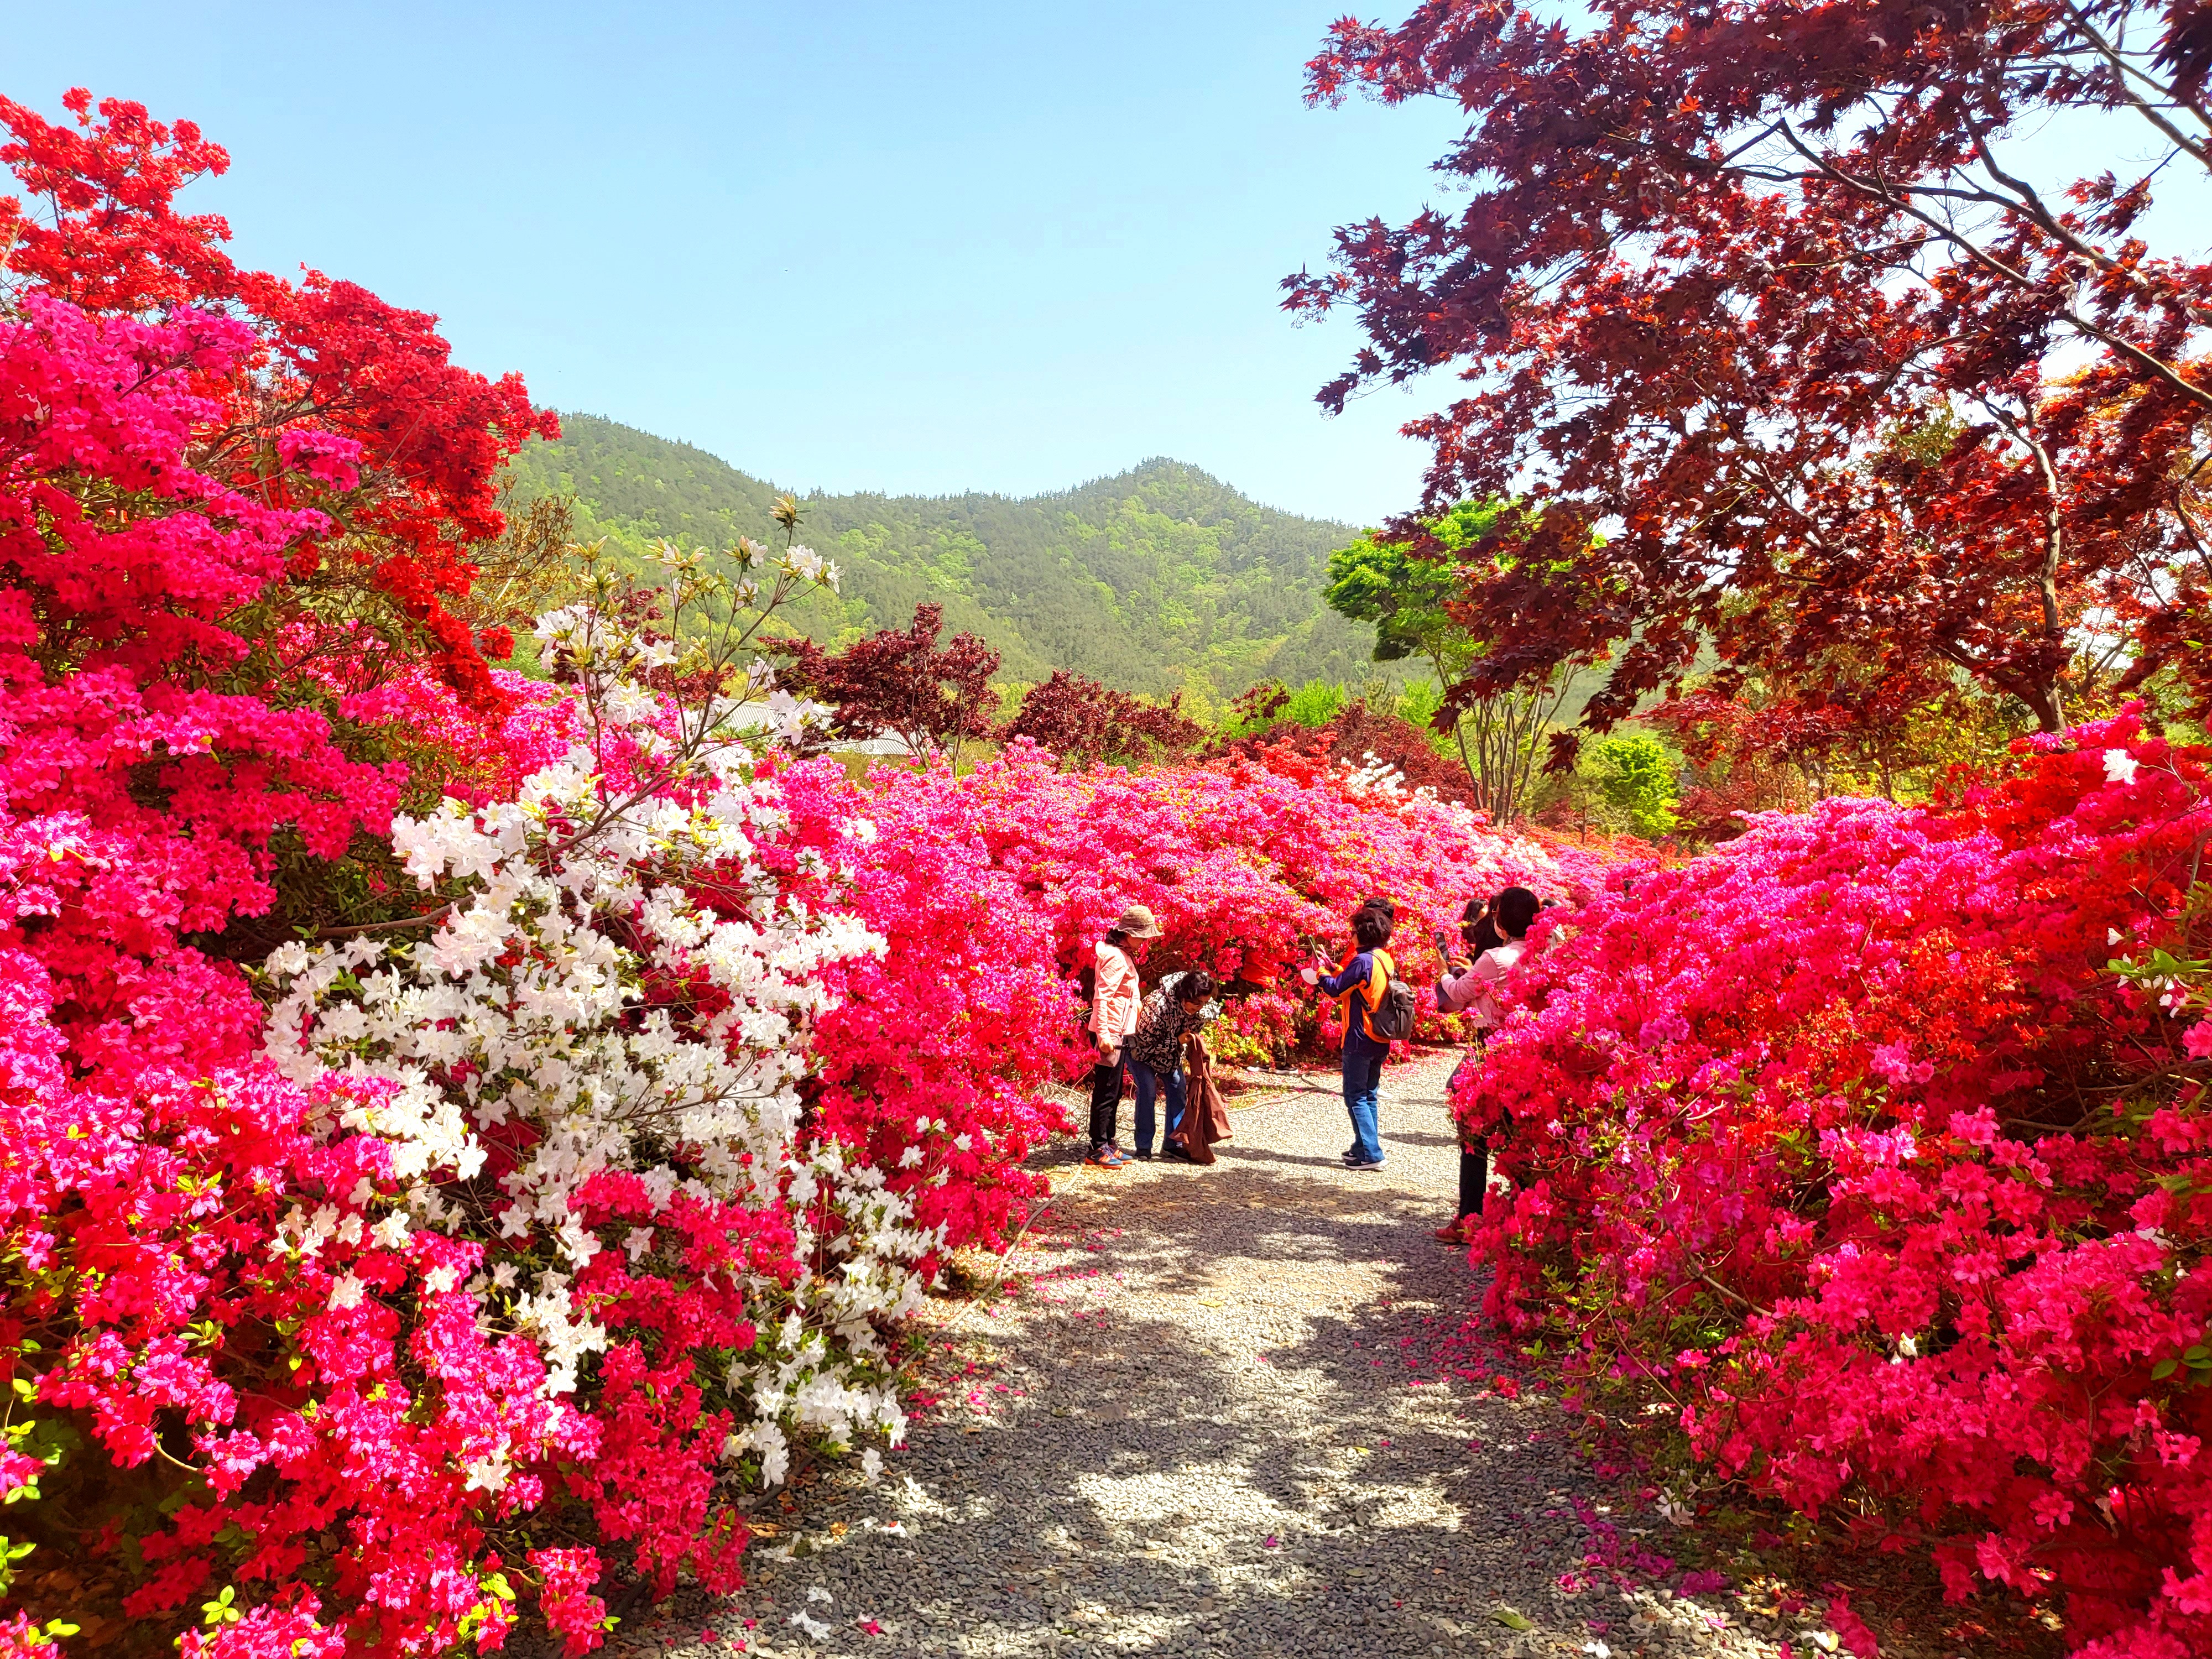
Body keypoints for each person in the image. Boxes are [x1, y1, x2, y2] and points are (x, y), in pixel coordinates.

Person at [1432, 885, 1540, 1240]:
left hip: (1491, 1049)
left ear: (1500, 919)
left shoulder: (1496, 957)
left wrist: (1443, 971)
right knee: (1521, 1137)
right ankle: (1527, 1219)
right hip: (1532, 1051)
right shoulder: (1547, 954)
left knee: (1473, 1132)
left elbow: (1459, 995)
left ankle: (1470, 1217)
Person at [1312, 902, 1400, 1170]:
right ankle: (1362, 1147)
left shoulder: (1362, 960)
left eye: (1353, 932)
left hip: (1359, 1036)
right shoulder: (1383, 958)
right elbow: (1357, 983)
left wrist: (1321, 973)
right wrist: (1336, 967)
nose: (1351, 936)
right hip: (1379, 1036)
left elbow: (1338, 991)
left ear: (1363, 933)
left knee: (1356, 1096)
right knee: (1369, 1094)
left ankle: (1372, 1153)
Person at [1086, 903, 1160, 1168]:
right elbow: (1102, 997)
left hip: (1120, 1030)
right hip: (1111, 1032)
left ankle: (1109, 1142)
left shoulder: (1123, 954)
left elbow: (1128, 993)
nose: (1144, 941)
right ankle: (1098, 1147)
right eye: (1141, 936)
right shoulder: (1116, 957)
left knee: (1115, 1091)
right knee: (1107, 1091)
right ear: (1127, 934)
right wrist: (1104, 1034)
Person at [1124, 969, 1219, 1161]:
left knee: (1178, 1089)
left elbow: (1205, 1019)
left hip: (1170, 1056)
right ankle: (1143, 1146)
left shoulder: (1202, 1009)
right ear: (1186, 995)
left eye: (1204, 1002)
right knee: (1148, 1090)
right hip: (1141, 1053)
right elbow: (1144, 1041)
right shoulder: (1159, 1005)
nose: (1199, 1007)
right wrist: (1177, 1041)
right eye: (1196, 1002)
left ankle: (1173, 1143)